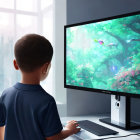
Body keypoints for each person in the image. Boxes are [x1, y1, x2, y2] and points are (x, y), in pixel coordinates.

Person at [1, 34, 80, 140]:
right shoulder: (47, 101)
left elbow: (2, 129)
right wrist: (69, 130)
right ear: (46, 67)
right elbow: (53, 138)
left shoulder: (5, 94)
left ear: (15, 64)